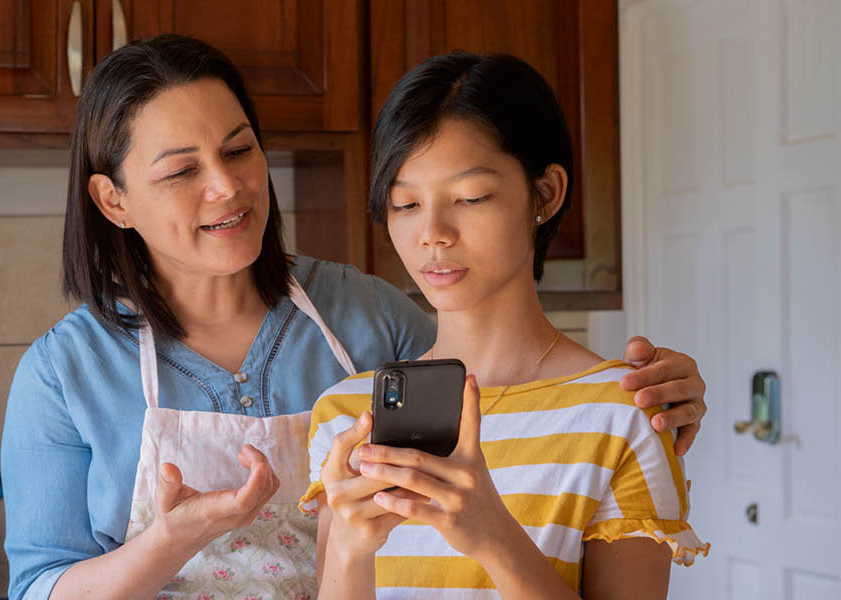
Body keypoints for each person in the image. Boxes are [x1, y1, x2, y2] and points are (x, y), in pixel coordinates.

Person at [1, 35, 708, 600]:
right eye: (181, 171)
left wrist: (651, 394)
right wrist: (171, 538)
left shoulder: (368, 319)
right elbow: (39, 588)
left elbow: (503, 376)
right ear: (114, 199)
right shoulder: (65, 374)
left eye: (241, 148)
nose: (228, 185)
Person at [303, 52, 708, 599]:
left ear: (545, 195)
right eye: (405, 204)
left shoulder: (623, 415)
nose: (433, 233)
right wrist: (350, 551)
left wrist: (493, 535)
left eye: (470, 197)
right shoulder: (346, 416)